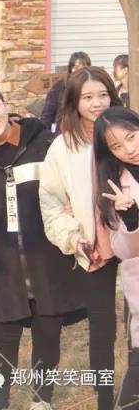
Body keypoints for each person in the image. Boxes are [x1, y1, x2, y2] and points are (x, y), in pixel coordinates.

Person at [0, 82, 85, 410]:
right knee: (3, 341)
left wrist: (76, 207)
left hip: (47, 260)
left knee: (48, 336)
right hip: (3, 267)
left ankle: (41, 401)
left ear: (6, 105)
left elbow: (74, 182)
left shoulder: (44, 142)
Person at [39, 66, 123, 410]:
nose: (97, 103)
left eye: (103, 95)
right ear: (74, 102)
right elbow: (50, 202)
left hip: (132, 238)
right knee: (103, 330)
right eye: (88, 97)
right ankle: (105, 401)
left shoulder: (126, 133)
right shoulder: (63, 146)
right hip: (95, 244)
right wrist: (73, 237)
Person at [93, 106, 139, 408]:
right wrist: (132, 220)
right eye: (117, 146)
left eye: (132, 137)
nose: (129, 149)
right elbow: (123, 250)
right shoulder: (114, 188)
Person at [40, 51, 91, 132]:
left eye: (83, 67)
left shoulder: (94, 87)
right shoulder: (59, 87)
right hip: (64, 132)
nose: (80, 71)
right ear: (70, 69)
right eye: (76, 67)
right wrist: (47, 136)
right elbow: (47, 116)